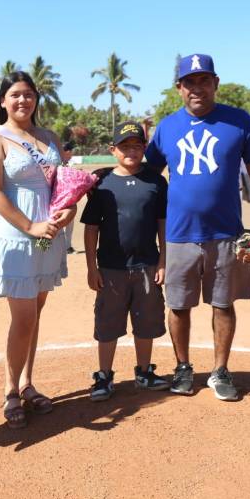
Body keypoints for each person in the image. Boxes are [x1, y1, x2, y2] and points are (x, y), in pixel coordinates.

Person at [144, 53, 250, 401]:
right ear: (179, 88)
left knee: (223, 304)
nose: (197, 87)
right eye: (189, 81)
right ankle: (183, 367)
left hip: (225, 233)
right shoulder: (167, 127)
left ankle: (220, 370)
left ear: (215, 83)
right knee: (178, 305)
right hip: (179, 234)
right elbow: (147, 175)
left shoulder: (238, 121)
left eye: (204, 80)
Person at [0, 71, 75, 428]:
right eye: (15, 95)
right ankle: (11, 390)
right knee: (24, 317)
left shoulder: (49, 137)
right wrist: (29, 225)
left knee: (37, 312)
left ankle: (28, 383)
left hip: (49, 232)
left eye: (28, 95)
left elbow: (63, 186)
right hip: (16, 233)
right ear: (3, 101)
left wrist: (69, 208)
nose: (22, 101)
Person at [81, 121, 169, 401]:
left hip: (147, 264)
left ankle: (144, 372)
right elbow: (91, 227)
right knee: (107, 323)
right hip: (110, 268)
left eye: (136, 145)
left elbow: (162, 224)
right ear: (112, 150)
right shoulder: (102, 183)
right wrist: (91, 267)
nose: (131, 150)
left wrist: (164, 260)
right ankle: (104, 375)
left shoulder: (156, 181)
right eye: (124, 146)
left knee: (146, 321)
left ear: (144, 148)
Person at [61, 141, 77, 254]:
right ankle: (43, 246)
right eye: (71, 151)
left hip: (69, 199)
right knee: (54, 224)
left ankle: (67, 247)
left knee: (69, 225)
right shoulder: (55, 162)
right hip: (57, 200)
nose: (72, 153)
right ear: (67, 152)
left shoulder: (70, 164)